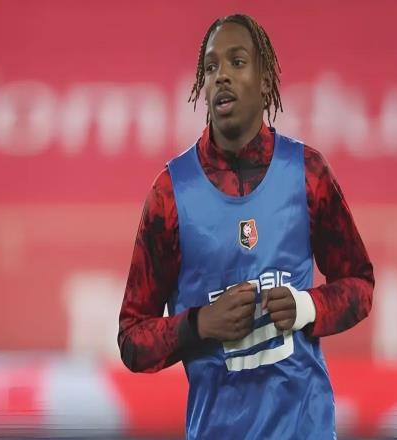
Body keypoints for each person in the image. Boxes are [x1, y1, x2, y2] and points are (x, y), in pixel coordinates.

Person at [118, 13, 374, 440]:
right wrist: (199, 324)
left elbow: (360, 285)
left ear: (265, 79)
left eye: (237, 62)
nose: (221, 76)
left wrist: (306, 307)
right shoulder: (170, 194)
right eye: (211, 67)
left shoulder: (308, 173)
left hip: (304, 428)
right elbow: (132, 339)